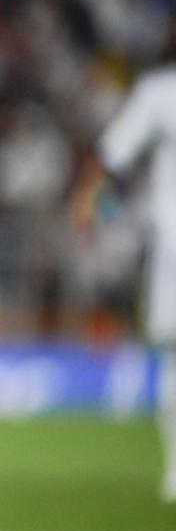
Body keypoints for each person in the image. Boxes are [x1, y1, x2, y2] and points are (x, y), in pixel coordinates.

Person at [71, 64, 176, 502]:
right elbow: (114, 154)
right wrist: (90, 199)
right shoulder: (161, 91)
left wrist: (86, 200)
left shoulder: (161, 91)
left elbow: (113, 154)